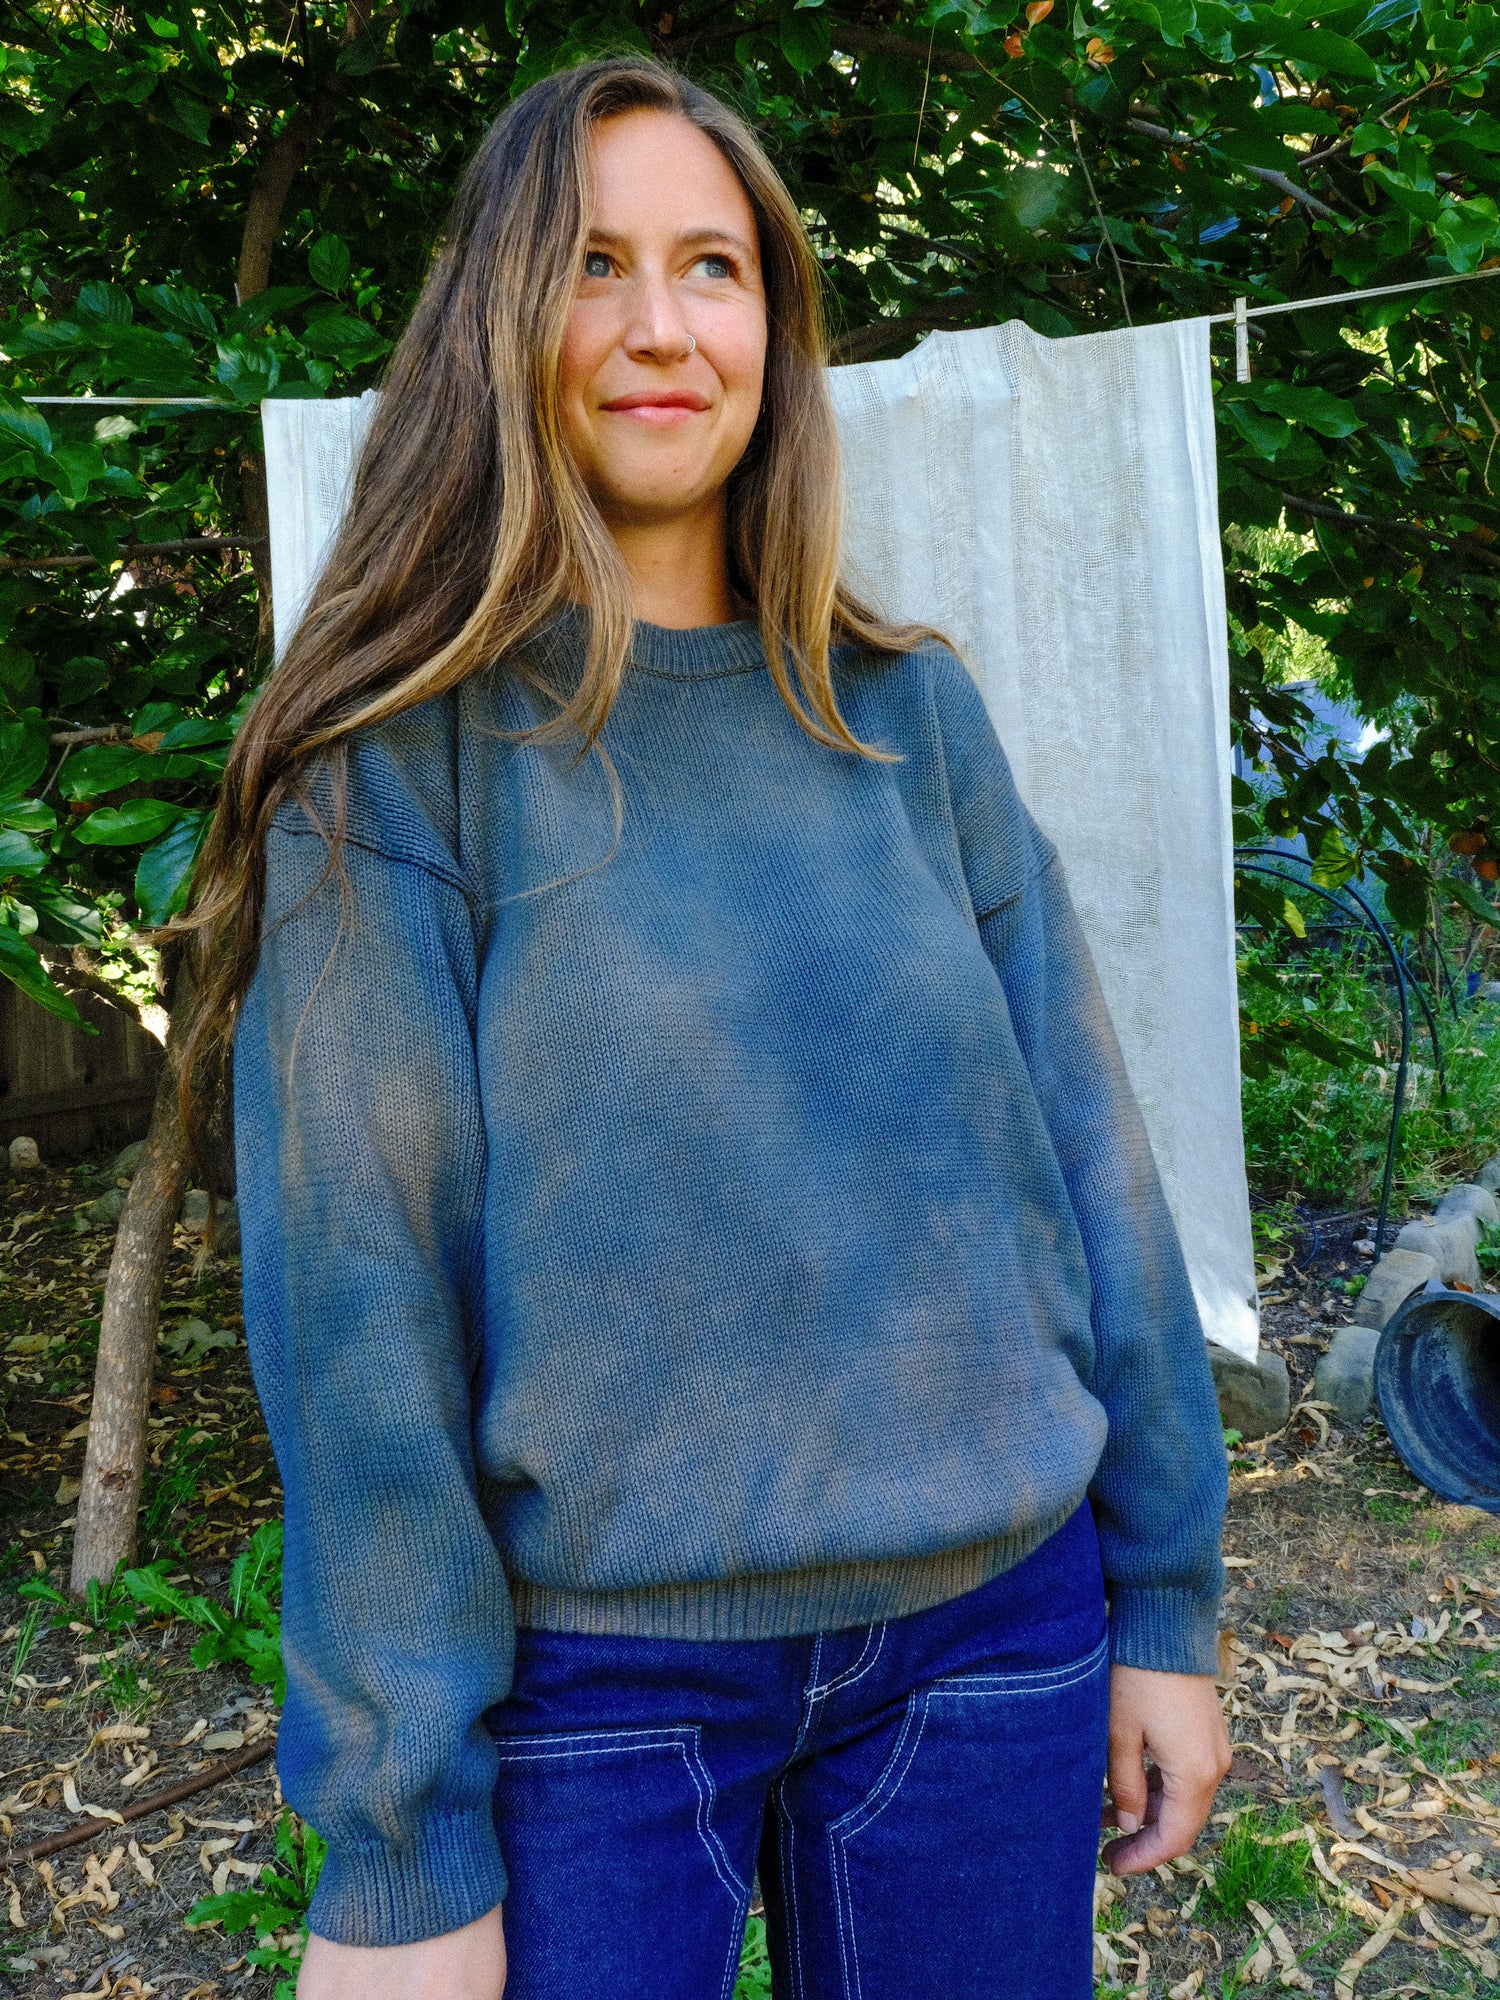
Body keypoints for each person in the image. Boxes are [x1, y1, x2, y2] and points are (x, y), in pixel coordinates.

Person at [179, 54, 1231, 2000]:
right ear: (502, 318)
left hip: (991, 1640)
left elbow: (1096, 1159)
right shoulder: (394, 766)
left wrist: (1163, 1592)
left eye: (713, 267)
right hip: (597, 1687)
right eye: (594, 264)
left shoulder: (910, 718)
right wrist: (404, 1848)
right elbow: (356, 1313)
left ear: (777, 327)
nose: (662, 325)